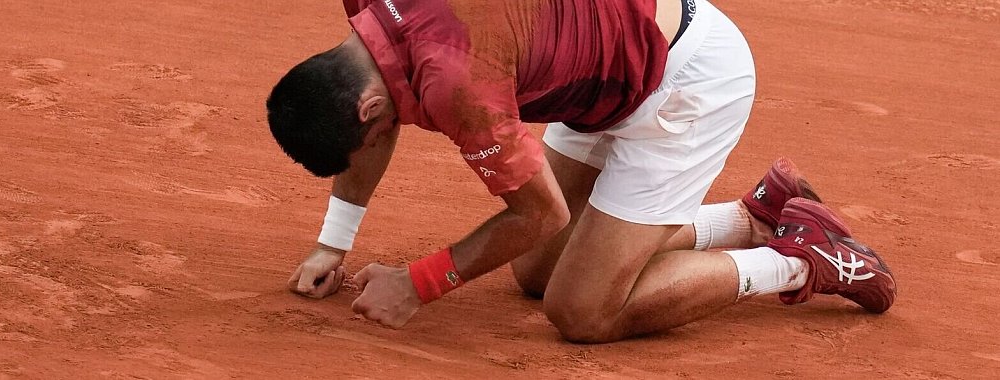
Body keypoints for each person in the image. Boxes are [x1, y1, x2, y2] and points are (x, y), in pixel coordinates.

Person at [265, 0, 896, 343]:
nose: (383, 136)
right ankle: (749, 218)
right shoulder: (369, 26)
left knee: (583, 311)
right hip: (600, 69)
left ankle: (803, 258)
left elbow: (539, 213)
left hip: (683, 86)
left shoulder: (459, 86)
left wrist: (420, 282)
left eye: (377, 131)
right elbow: (375, 119)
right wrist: (333, 241)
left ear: (368, 107)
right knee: (536, 272)